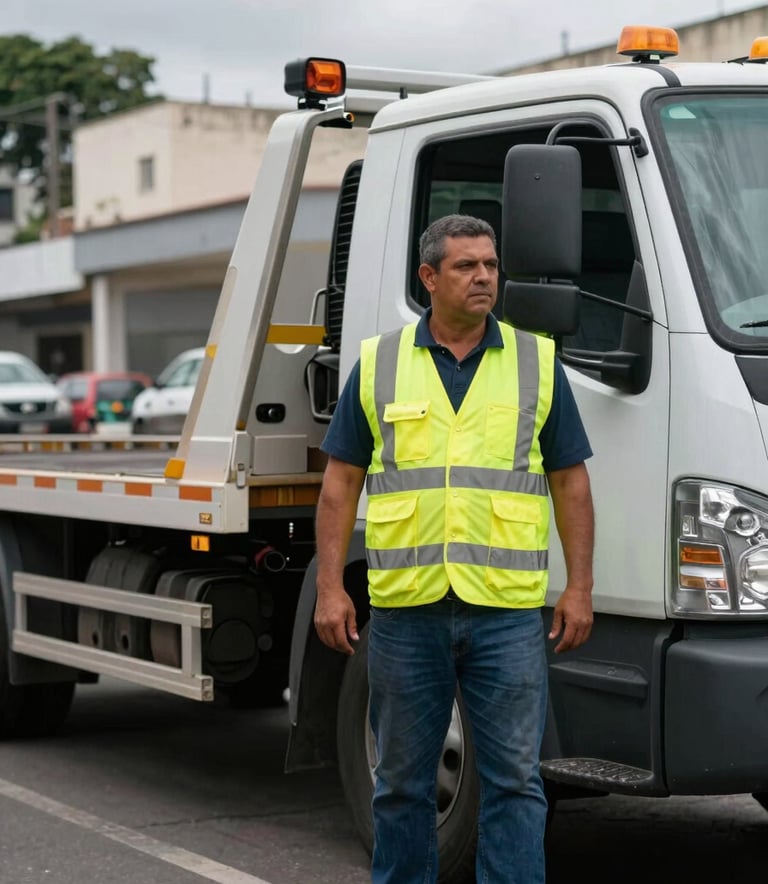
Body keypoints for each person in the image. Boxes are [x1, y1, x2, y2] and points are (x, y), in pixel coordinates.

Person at [314, 213, 594, 884]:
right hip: (408, 614)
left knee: (516, 785)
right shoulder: (381, 364)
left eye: (491, 265)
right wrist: (329, 587)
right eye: (467, 266)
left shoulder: (537, 361)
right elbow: (340, 483)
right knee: (402, 786)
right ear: (429, 277)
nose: (485, 277)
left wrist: (579, 588)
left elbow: (570, 482)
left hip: (504, 615)